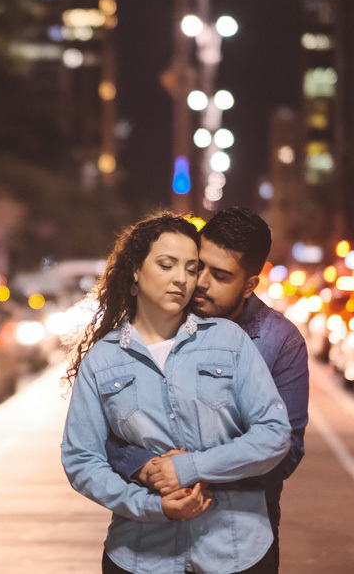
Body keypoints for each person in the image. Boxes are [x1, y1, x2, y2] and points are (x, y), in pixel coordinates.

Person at [61, 212, 291, 574]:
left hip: (234, 550)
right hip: (140, 555)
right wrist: (151, 506)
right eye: (167, 265)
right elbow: (81, 460)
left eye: (190, 268)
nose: (182, 279)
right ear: (135, 271)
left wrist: (189, 467)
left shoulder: (228, 341)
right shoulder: (103, 359)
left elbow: (275, 434)